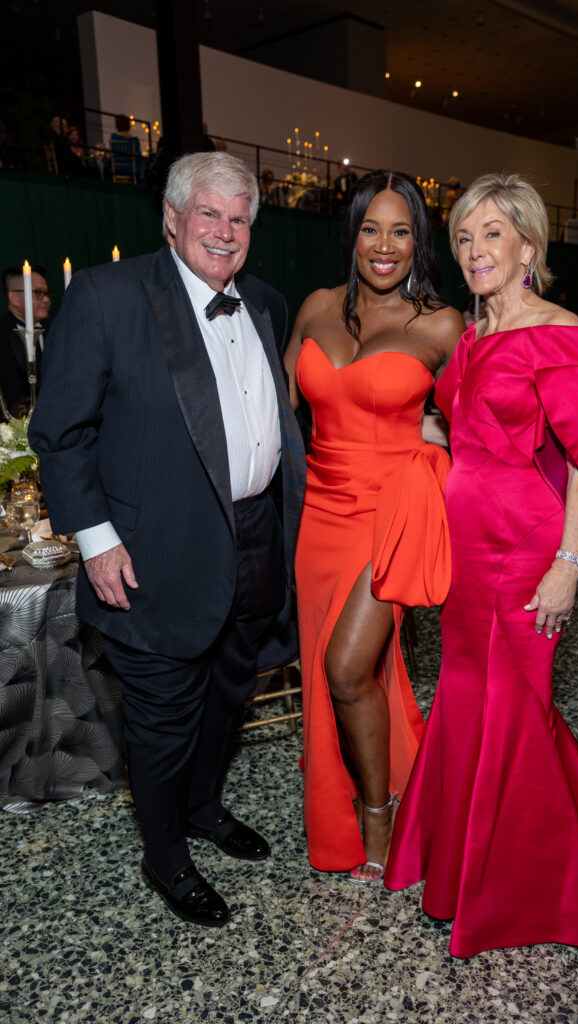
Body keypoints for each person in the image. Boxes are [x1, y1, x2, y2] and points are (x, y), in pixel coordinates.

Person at [29, 152, 306, 927]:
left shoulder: (267, 303)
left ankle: (205, 809)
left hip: (255, 539)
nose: (224, 231)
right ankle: (166, 856)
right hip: (150, 556)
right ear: (174, 219)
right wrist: (95, 539)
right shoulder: (108, 294)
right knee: (162, 720)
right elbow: (60, 432)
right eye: (209, 214)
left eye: (239, 217)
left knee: (229, 696)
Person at [384, 172, 578, 957]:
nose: (474, 251)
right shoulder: (472, 336)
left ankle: (521, 893)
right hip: (465, 552)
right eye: (463, 238)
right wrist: (428, 441)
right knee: (476, 699)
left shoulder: (556, 330)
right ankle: (571, 850)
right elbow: (468, 430)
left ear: (528, 246)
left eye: (491, 235)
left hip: (527, 547)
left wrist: (569, 562)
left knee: (513, 705)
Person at [284, 170, 465, 880]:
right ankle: (389, 788)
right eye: (370, 228)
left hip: (391, 517)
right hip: (318, 517)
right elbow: (276, 411)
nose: (383, 246)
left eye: (400, 231)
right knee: (342, 675)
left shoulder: (441, 324)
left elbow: (478, 430)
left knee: (346, 667)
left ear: (418, 240)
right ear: (351, 233)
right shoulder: (315, 307)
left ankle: (377, 812)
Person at [0, 265, 50, 417]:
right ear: (14, 297)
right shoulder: (2, 333)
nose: (47, 299)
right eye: (38, 293)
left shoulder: (55, 331)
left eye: (47, 293)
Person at [109, 114, 144, 182]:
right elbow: (139, 156)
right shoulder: (134, 140)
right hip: (131, 168)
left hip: (117, 167)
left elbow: (112, 153)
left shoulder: (114, 137)